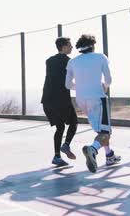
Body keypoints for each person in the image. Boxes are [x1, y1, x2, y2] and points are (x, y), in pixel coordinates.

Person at [66, 34, 121, 173]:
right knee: (105, 131)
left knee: (101, 129)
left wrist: (80, 87)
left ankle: (109, 155)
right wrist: (105, 86)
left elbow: (67, 85)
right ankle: (93, 149)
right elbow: (108, 79)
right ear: (93, 45)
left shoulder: (72, 62)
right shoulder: (100, 57)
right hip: (97, 97)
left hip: (81, 99)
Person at [41, 37, 78, 167]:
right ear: (63, 47)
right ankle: (66, 145)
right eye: (70, 45)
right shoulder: (70, 62)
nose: (72, 47)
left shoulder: (49, 61)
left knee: (60, 127)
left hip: (47, 100)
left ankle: (57, 156)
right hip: (61, 99)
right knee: (74, 122)